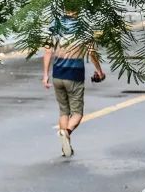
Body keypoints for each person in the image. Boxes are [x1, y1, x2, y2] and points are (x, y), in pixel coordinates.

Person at [42, 10, 105, 158]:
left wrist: (45, 75)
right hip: (74, 75)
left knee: (64, 111)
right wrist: (99, 71)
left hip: (57, 75)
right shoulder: (82, 26)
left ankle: (66, 147)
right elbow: (91, 52)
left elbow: (47, 52)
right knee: (77, 113)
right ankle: (66, 132)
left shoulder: (55, 24)